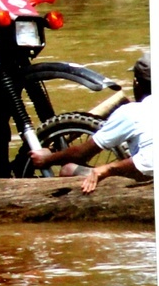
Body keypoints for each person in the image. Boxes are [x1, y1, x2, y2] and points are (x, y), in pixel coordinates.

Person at [30, 52, 153, 194]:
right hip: (147, 172)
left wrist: (47, 159)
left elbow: (81, 154)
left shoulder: (132, 112)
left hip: (149, 180)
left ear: (136, 82)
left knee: (69, 169)